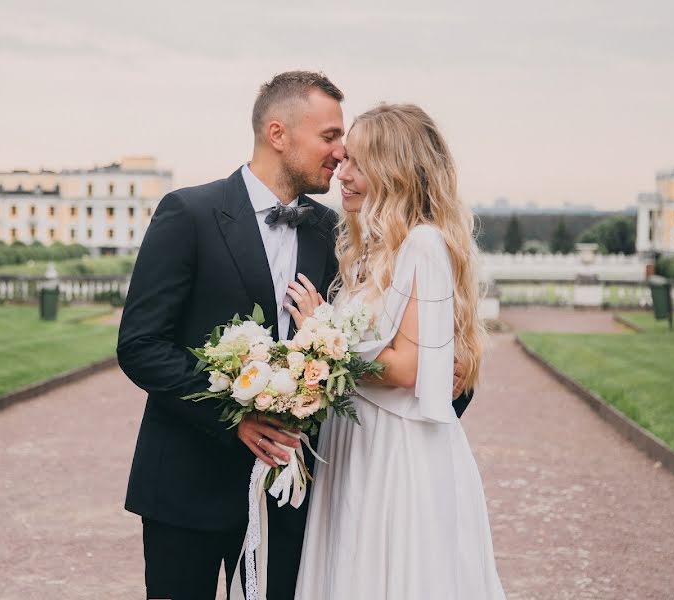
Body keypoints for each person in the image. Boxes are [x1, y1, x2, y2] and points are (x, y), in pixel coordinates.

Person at [118, 72, 474, 600]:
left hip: (297, 495)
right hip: (187, 485)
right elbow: (141, 346)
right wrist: (234, 417)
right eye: (330, 137)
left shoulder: (336, 233)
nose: (339, 153)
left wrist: (444, 389)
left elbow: (383, 330)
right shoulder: (188, 213)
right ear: (278, 134)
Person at [293, 104, 506, 599]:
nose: (341, 174)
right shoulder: (369, 248)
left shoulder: (424, 245)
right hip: (356, 443)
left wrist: (321, 334)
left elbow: (408, 368)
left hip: (398, 451)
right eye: (343, 160)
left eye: (358, 165)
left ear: (397, 172)